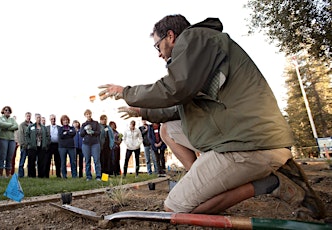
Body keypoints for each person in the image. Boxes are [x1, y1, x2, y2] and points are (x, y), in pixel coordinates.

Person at [98, 14, 325, 219]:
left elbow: (175, 88)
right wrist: (142, 111)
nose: (158, 53)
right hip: (245, 136)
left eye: (158, 45)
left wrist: (126, 92)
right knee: (169, 130)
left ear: (171, 36)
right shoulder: (200, 55)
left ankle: (273, 183)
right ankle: (202, 184)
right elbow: (179, 106)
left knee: (176, 207)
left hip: (250, 144)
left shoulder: (193, 39)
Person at [0, 106, 19, 178]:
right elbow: (0, 124)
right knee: (2, 156)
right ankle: (0, 174)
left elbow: (16, 126)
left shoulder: (12, 119)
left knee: (9, 157)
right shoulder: (0, 118)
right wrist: (11, 126)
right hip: (2, 138)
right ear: (3, 111)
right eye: (6, 110)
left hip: (11, 140)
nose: (7, 111)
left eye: (9, 110)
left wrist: (6, 126)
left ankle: (7, 175)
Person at [25, 113, 49, 178]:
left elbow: (47, 136)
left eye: (39, 117)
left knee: (41, 162)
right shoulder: (31, 126)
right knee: (31, 161)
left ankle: (41, 175)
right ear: (35, 118)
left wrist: (46, 143)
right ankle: (31, 175)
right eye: (37, 117)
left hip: (41, 146)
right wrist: (29, 142)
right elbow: (26, 135)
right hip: (32, 146)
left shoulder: (44, 127)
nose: (38, 119)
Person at [80, 109, 102, 181]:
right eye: (87, 114)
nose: (88, 115)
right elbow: (81, 134)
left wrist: (93, 132)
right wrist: (85, 130)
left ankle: (98, 176)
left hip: (95, 143)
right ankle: (88, 176)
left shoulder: (96, 123)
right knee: (87, 160)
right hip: (86, 144)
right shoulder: (83, 124)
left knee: (96, 160)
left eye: (89, 114)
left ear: (91, 114)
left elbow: (99, 132)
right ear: (85, 116)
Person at [17, 112, 32, 177]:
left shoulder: (32, 124)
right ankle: (20, 175)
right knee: (22, 161)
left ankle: (29, 174)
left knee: (30, 162)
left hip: (31, 146)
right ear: (25, 116)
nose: (28, 117)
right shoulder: (22, 125)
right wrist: (23, 144)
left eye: (29, 116)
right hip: (24, 146)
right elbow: (21, 135)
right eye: (27, 116)